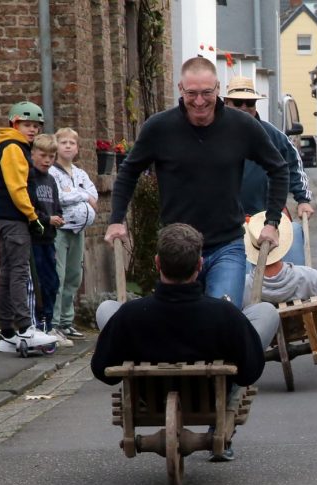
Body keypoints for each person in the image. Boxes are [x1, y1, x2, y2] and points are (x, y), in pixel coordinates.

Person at [104, 57, 289, 308]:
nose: (199, 101)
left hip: (227, 244)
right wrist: (116, 220)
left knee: (223, 317)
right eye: (192, 93)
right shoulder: (159, 128)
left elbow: (278, 168)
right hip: (177, 248)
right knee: (178, 323)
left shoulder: (241, 126)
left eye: (206, 93)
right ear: (180, 89)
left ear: (218, 89)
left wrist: (272, 222)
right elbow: (128, 172)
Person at [91, 223, 279, 461]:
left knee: (107, 309)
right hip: (210, 397)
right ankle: (226, 405)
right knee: (266, 312)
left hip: (150, 399)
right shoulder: (224, 314)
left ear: (157, 263)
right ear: (200, 265)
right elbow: (249, 372)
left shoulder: (130, 315)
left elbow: (103, 371)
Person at [224, 76, 313, 266]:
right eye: (238, 102)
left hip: (269, 217)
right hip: (228, 222)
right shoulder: (215, 136)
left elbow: (294, 166)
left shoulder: (274, 136)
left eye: (250, 102)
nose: (244, 107)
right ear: (226, 103)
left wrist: (303, 199)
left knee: (293, 254)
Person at [0, 101, 58, 353]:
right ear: (14, 123)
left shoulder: (14, 146)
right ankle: (24, 329)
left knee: (9, 273)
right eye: (27, 124)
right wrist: (33, 216)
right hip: (15, 218)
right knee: (20, 272)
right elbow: (17, 187)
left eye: (35, 126)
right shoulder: (13, 148)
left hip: (8, 218)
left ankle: (7, 333)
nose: (32, 130)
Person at [242, 211, 317, 307]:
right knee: (295, 227)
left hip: (262, 330)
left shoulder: (244, 286)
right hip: (302, 328)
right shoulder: (306, 276)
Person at [49, 127, 98, 341]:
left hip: (78, 230)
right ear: (56, 146)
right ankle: (54, 322)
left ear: (78, 148)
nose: (68, 146)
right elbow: (59, 197)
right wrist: (83, 196)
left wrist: (78, 194)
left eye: (72, 143)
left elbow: (94, 194)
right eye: (63, 142)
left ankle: (68, 321)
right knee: (57, 276)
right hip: (61, 229)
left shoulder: (80, 173)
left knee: (73, 277)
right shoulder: (52, 172)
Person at [27, 134, 71, 346]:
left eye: (51, 156)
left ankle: (49, 325)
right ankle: (38, 325)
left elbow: (56, 205)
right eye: (43, 155)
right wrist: (47, 219)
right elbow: (30, 209)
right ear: (33, 154)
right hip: (35, 238)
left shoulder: (51, 180)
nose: (47, 160)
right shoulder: (30, 178)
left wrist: (59, 217)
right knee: (38, 284)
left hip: (49, 238)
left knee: (53, 282)